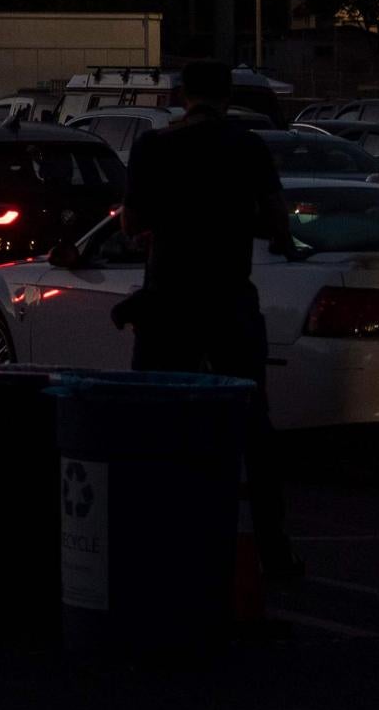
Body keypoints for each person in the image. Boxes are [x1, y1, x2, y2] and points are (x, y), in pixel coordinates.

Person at [115, 59, 300, 579]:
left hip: (168, 302)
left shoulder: (155, 146)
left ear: (182, 95)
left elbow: (131, 222)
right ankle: (274, 550)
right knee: (252, 424)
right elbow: (277, 218)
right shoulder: (247, 147)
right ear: (227, 95)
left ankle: (145, 542)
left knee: (151, 420)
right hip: (228, 301)